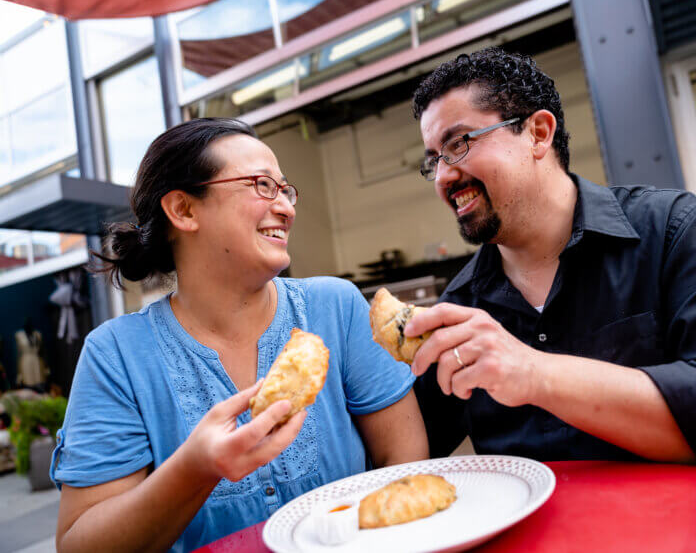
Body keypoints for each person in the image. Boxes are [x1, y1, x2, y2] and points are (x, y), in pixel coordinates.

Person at [404, 47, 696, 481]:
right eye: (433, 160)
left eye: (459, 143)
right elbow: (403, 454)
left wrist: (534, 372)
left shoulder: (675, 233)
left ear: (539, 134)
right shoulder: (460, 309)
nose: (444, 176)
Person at [51, 118, 428, 552]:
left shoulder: (335, 307)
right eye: (262, 185)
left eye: (285, 189)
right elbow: (80, 545)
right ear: (184, 210)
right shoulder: (115, 355)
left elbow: (404, 462)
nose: (285, 206)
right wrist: (194, 470)